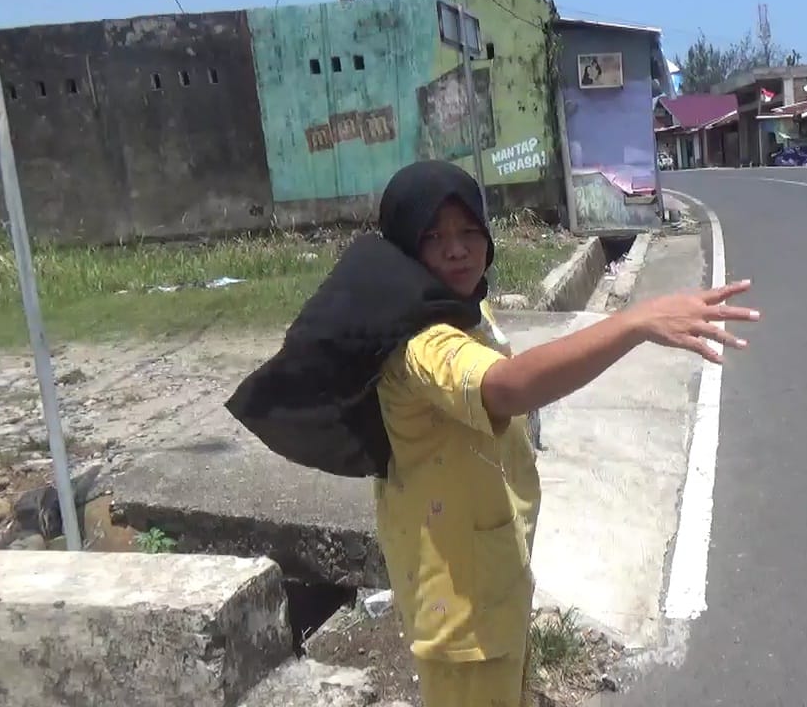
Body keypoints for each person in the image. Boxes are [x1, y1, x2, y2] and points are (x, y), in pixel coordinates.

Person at [228, 160, 758, 707]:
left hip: (491, 588)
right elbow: (503, 388)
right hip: (463, 619)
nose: (456, 250)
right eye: (434, 238)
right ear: (405, 249)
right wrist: (632, 323)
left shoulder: (456, 304)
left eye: (467, 231)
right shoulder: (421, 343)